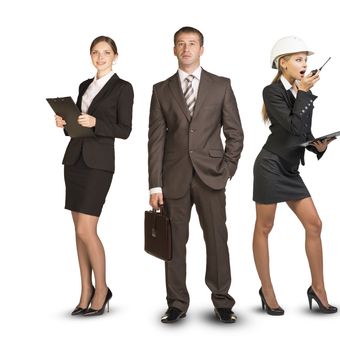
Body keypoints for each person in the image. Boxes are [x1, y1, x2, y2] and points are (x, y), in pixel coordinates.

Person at [148, 26, 244, 323]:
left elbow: (235, 133)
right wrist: (155, 185)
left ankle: (222, 301)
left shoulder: (221, 85)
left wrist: (227, 169)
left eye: (192, 43)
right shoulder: (161, 90)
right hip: (173, 178)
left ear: (202, 49)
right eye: (181, 44)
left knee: (217, 239)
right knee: (173, 243)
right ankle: (176, 302)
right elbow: (156, 140)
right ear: (174, 49)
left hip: (212, 175)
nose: (186, 48)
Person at [252, 36, 337, 315]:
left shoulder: (300, 92)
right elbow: (289, 127)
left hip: (289, 168)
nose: (304, 64)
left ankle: (318, 288)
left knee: (314, 224)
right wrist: (303, 92)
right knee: (265, 228)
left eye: (305, 59)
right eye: (298, 59)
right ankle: (267, 289)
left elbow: (301, 131)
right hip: (270, 165)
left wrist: (317, 145)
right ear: (282, 63)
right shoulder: (272, 91)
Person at [54, 36, 134, 316]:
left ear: (115, 55)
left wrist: (97, 122)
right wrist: (65, 123)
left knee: (86, 230)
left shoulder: (123, 88)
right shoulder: (84, 86)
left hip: (99, 164)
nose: (100, 57)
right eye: (96, 53)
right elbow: (78, 126)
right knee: (78, 233)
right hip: (74, 160)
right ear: (90, 55)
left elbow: (125, 129)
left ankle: (102, 290)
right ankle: (85, 290)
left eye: (106, 52)